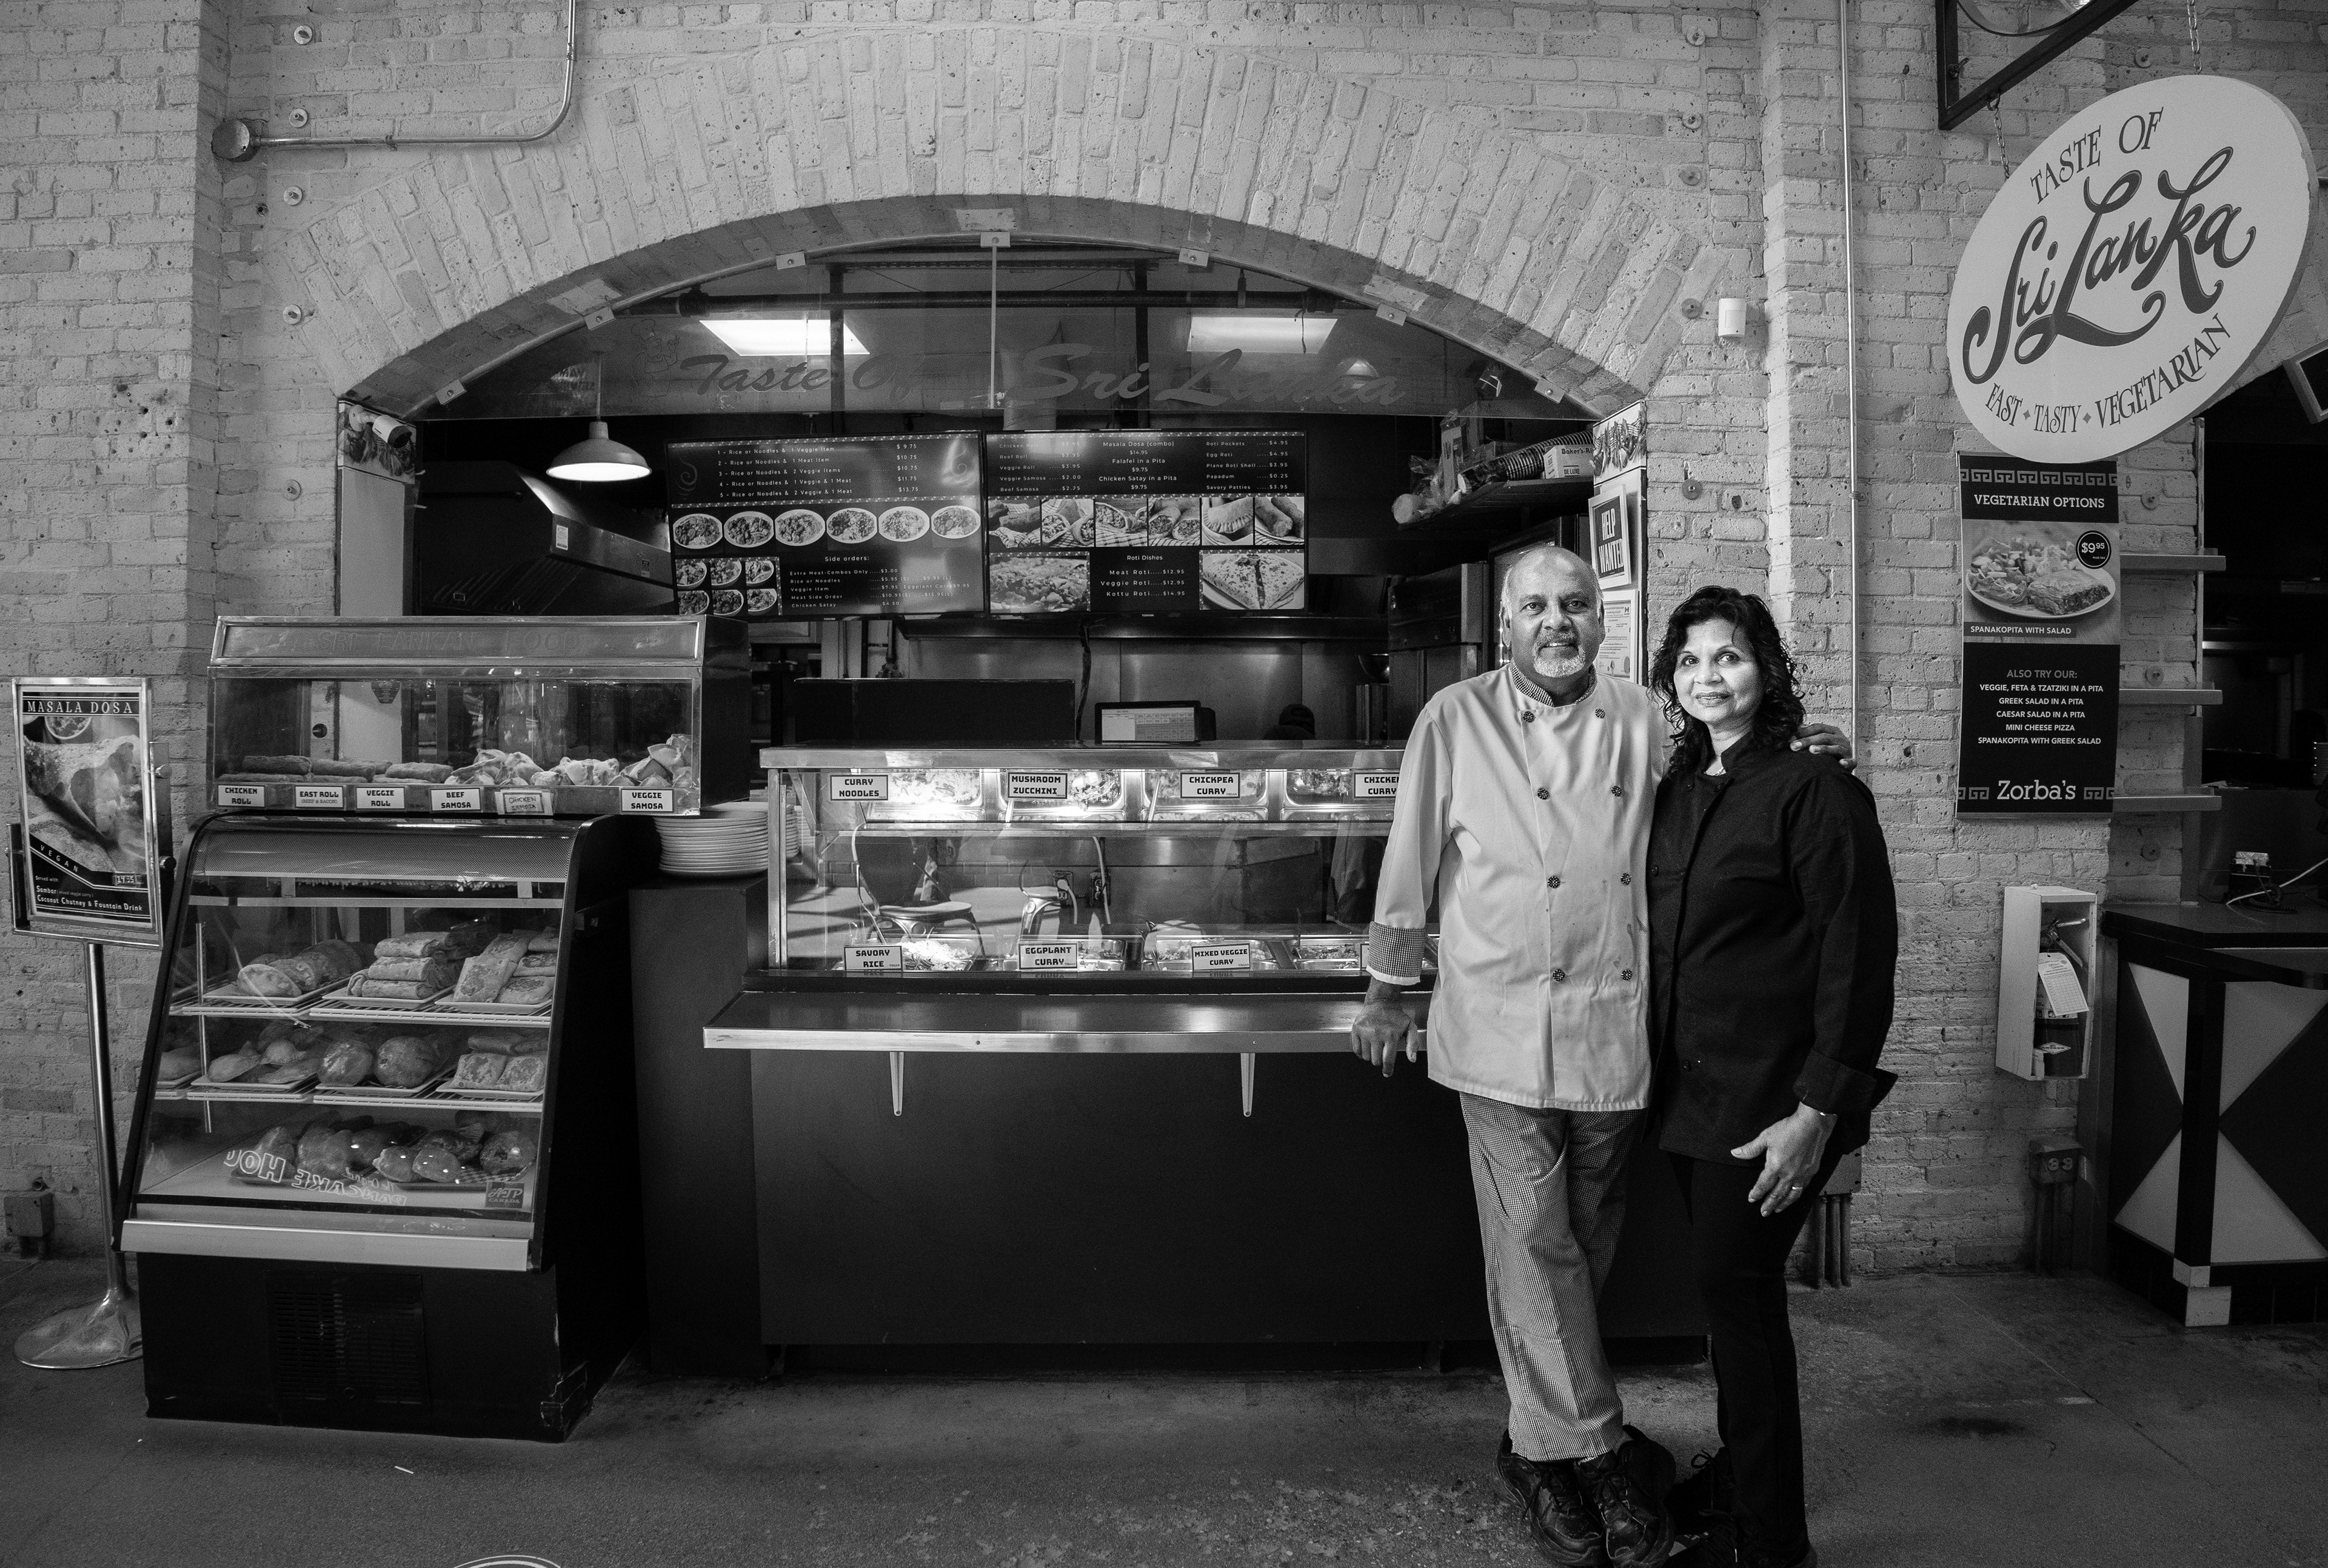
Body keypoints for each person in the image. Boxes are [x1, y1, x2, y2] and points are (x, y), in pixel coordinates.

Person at [1349, 547, 1850, 1568]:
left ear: (1601, 619)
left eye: (1575, 603)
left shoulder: (1648, 716)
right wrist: (1391, 983)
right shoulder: (1454, 717)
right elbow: (1410, 856)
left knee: (1577, 1239)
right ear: (1506, 623)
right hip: (1496, 1027)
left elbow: (1730, 773)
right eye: (1535, 606)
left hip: (1618, 1030)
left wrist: (1810, 745)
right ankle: (1597, 1451)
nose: (1557, 622)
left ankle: (1534, 1446)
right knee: (1536, 1242)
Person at [1644, 587, 1897, 1568]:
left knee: (1741, 1307)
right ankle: (1742, 1485)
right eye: (1691, 660)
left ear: (1768, 669)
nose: (1709, 675)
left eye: (1731, 656)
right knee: (1729, 1304)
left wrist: (1817, 1112)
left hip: (1770, 1105)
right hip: (1687, 1095)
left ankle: (1772, 1544)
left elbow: (1857, 958)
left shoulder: (1816, 789)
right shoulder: (1678, 788)